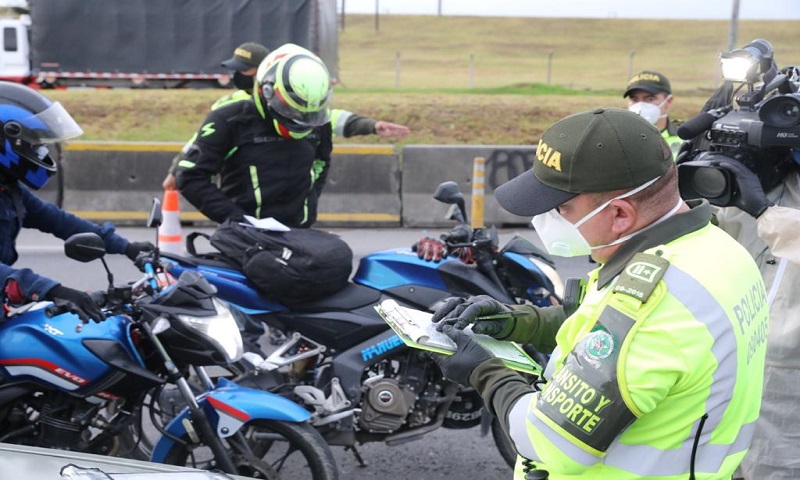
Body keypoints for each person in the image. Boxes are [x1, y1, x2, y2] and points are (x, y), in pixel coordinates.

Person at [430, 108, 768, 479]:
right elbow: (600, 320)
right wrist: (514, 322)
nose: (546, 221)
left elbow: (548, 442)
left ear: (620, 214)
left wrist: (484, 371)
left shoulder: (651, 307)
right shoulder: (713, 248)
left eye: (561, 208)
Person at [162, 41, 409, 191]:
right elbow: (198, 143)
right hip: (245, 194)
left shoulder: (288, 97)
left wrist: (371, 125)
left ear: (262, 70)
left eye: (242, 69)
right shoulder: (228, 106)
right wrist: (177, 170)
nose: (237, 75)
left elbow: (327, 118)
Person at [0, 82, 153, 322]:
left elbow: (61, 222)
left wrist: (127, 247)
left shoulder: (8, 189)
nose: (40, 150)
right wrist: (52, 290)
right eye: (34, 143)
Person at [624, 70, 683, 159]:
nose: (640, 105)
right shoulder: (619, 137)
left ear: (668, 101)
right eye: (634, 99)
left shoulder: (684, 136)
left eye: (650, 99)